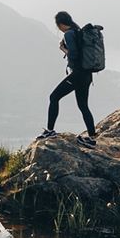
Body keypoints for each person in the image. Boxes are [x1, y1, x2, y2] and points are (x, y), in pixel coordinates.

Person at [36, 10, 97, 148]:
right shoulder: (78, 31)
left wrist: (63, 49)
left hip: (77, 75)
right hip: (87, 75)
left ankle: (50, 131)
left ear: (60, 24)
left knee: (54, 97)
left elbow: (74, 55)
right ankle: (92, 139)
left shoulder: (69, 34)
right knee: (83, 106)